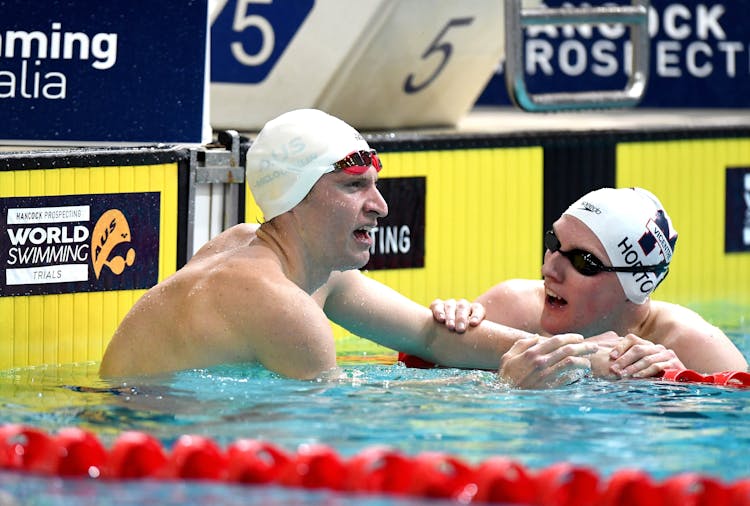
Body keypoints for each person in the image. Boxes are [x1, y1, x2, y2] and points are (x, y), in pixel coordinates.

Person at [99, 109, 597, 383]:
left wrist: (585, 355)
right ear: (295, 196)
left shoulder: (287, 261)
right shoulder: (279, 307)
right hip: (133, 455)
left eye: (374, 185)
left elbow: (429, 336)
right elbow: (343, 431)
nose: (380, 206)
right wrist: (507, 388)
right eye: (354, 186)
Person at [422, 187, 748, 384]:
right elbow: (421, 393)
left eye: (583, 262)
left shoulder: (693, 347)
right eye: (553, 241)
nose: (549, 269)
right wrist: (443, 330)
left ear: (635, 285)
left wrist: (679, 392)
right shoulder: (513, 307)